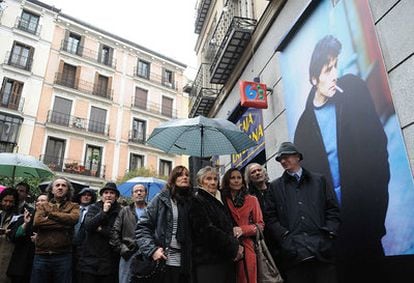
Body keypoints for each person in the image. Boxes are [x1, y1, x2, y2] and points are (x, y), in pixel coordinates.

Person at [293, 35, 390, 283]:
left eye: (336, 65)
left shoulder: (353, 92)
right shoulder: (303, 128)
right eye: (328, 69)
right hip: (334, 230)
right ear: (314, 79)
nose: (334, 74)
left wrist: (377, 213)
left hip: (365, 216)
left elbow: (378, 149)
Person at [265, 142, 340, 283]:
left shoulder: (319, 181)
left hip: (322, 252)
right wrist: (285, 237)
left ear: (297, 157)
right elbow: (270, 218)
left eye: (286, 156)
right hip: (294, 256)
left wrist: (328, 233)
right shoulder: (275, 187)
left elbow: (332, 209)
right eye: (280, 158)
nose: (282, 161)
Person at [135, 166, 193, 283]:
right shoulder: (161, 199)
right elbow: (142, 227)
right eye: (180, 175)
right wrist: (152, 250)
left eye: (187, 175)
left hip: (186, 263)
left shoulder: (192, 202)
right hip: (163, 260)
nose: (185, 177)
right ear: (173, 179)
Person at [190, 166, 243, 283]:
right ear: (200, 181)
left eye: (215, 179)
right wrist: (234, 246)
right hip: (209, 261)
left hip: (224, 259)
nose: (213, 182)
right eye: (208, 179)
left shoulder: (219, 199)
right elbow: (207, 230)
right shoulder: (197, 200)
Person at [30, 176, 80, 283]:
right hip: (41, 254)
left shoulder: (74, 206)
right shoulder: (43, 206)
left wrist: (50, 214)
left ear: (68, 190)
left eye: (63, 185)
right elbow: (37, 222)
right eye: (57, 185)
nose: (60, 188)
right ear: (52, 190)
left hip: (63, 255)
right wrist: (64, 223)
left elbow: (73, 219)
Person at [222, 168, 264, 283]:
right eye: (232, 178)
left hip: (247, 248)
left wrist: (243, 229)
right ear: (227, 180)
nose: (236, 181)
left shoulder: (252, 200)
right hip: (227, 247)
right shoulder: (221, 199)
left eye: (239, 178)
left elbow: (260, 225)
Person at [78, 182, 121, 283]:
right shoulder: (94, 207)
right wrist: (104, 212)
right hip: (89, 259)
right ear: (102, 196)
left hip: (109, 260)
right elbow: (88, 226)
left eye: (112, 193)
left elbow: (116, 234)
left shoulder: (120, 211)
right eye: (106, 192)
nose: (109, 195)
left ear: (116, 196)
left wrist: (100, 229)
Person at [7, 193, 48, 283]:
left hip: (41, 265)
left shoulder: (52, 221)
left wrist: (41, 239)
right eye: (38, 201)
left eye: (43, 201)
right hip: (21, 265)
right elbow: (13, 237)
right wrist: (25, 224)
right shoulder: (25, 217)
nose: (39, 203)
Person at [111, 184, 148, 283]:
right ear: (132, 195)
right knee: (125, 280)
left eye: (141, 191)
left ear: (146, 193)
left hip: (146, 253)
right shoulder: (125, 211)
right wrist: (122, 248)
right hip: (128, 253)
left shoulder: (151, 211)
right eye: (136, 191)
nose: (139, 193)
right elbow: (115, 231)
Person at [72, 188, 97, 283]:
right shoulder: (73, 208)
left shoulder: (94, 210)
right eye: (84, 194)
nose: (86, 197)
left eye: (89, 195)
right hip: (70, 245)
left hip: (85, 247)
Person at [0, 188, 19, 283]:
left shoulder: (18, 217)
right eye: (5, 201)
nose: (7, 204)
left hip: (6, 255)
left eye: (11, 201)